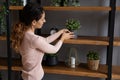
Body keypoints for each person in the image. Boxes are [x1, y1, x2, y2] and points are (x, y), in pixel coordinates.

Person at [11, 2, 74, 80]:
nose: (45, 21)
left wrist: (60, 32)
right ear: (34, 22)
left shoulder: (22, 34)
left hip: (25, 77)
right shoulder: (34, 39)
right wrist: (62, 38)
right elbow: (54, 50)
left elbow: (45, 40)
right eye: (42, 19)